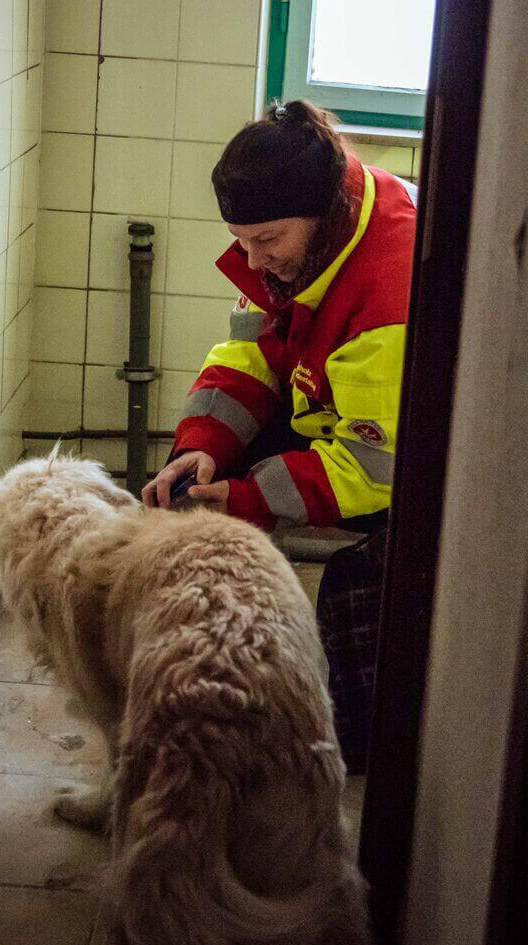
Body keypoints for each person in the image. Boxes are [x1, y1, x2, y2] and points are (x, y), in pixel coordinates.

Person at [142, 99, 418, 769]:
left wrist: (244, 499)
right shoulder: (306, 240)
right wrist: (202, 448)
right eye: (240, 241)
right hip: (342, 417)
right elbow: (247, 353)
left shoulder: (391, 286)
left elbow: (371, 468)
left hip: (404, 454)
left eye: (267, 241)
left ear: (323, 214)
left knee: (362, 600)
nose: (254, 260)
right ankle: (225, 682)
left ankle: (341, 745)